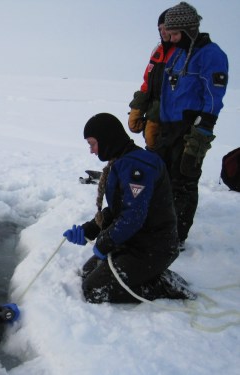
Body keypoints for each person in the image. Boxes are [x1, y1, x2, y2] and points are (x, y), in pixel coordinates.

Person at [63, 113, 195, 304]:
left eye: (92, 143)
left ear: (106, 139)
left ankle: (162, 284)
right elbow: (119, 210)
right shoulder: (123, 160)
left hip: (154, 247)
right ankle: (146, 273)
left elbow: (132, 217)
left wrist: (105, 243)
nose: (91, 150)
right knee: (87, 272)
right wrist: (88, 230)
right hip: (137, 241)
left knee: (94, 290)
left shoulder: (137, 168)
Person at [156, 2, 228, 250]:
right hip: (168, 127)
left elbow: (213, 98)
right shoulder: (177, 53)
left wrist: (201, 134)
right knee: (162, 179)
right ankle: (160, 229)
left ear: (189, 29)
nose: (172, 39)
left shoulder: (211, 55)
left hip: (190, 129)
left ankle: (176, 237)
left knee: (184, 180)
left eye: (175, 34)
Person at [128, 9, 175, 150]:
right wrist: (138, 103)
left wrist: (157, 109)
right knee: (146, 135)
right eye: (160, 29)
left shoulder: (180, 53)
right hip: (152, 101)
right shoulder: (157, 51)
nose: (163, 32)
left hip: (168, 108)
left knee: (155, 139)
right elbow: (147, 80)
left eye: (166, 28)